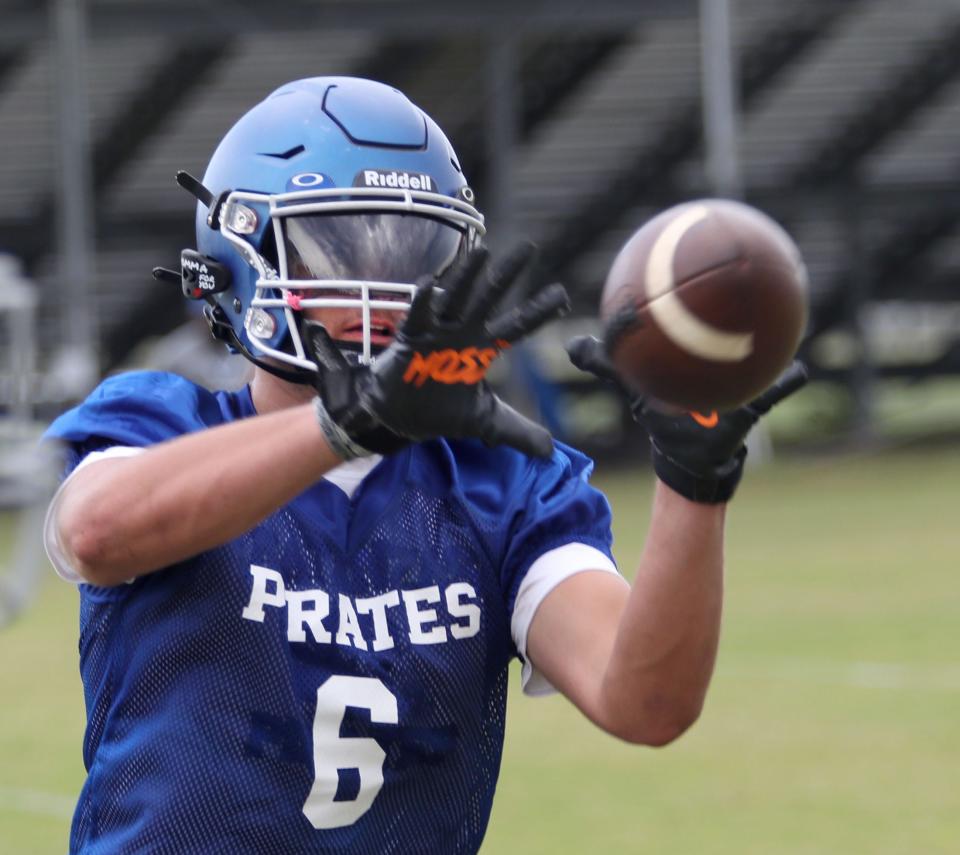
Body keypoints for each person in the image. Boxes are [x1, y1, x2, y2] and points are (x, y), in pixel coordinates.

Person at [43, 76, 804, 854]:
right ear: (239, 259)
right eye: (338, 247)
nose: (382, 285)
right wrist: (343, 426)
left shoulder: (502, 486)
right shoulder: (162, 421)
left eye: (412, 250)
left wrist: (692, 486)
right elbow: (97, 532)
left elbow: (645, 700)